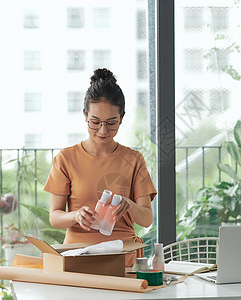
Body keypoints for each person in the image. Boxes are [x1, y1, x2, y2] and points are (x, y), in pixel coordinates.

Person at [44, 68, 157, 266]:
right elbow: (55, 217)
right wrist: (76, 216)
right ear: (85, 115)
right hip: (78, 256)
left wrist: (128, 204)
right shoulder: (66, 158)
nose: (103, 131)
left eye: (111, 123)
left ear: (122, 118)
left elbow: (147, 219)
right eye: (95, 122)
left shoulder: (134, 159)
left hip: (124, 256)